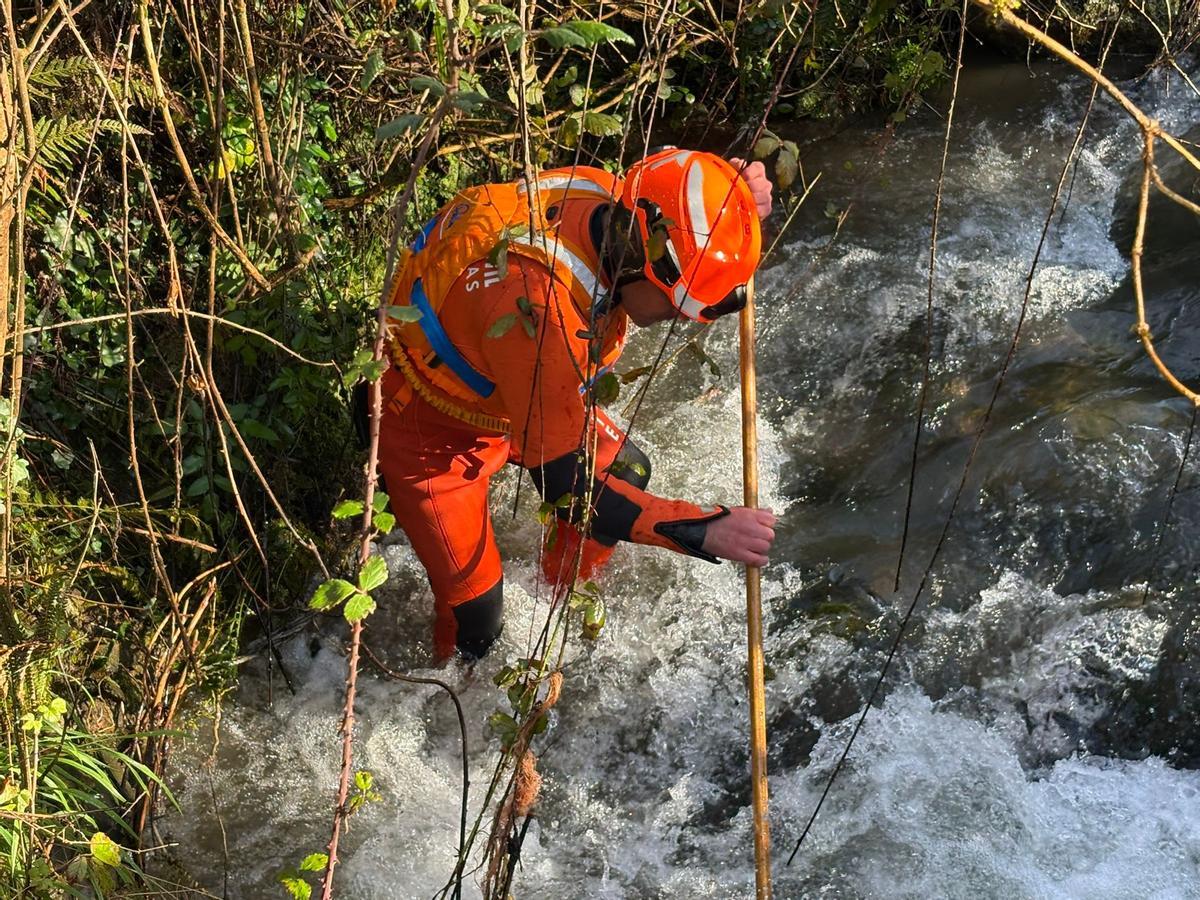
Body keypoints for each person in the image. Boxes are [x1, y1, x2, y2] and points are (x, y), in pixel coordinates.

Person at [375, 147, 778, 661]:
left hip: (505, 387)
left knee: (627, 468)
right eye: (679, 306)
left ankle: (557, 600)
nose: (678, 320)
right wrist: (705, 530)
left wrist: (730, 198)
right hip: (429, 430)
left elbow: (684, 197)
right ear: (642, 260)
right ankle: (454, 692)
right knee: (478, 612)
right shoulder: (537, 311)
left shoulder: (618, 199)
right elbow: (568, 488)